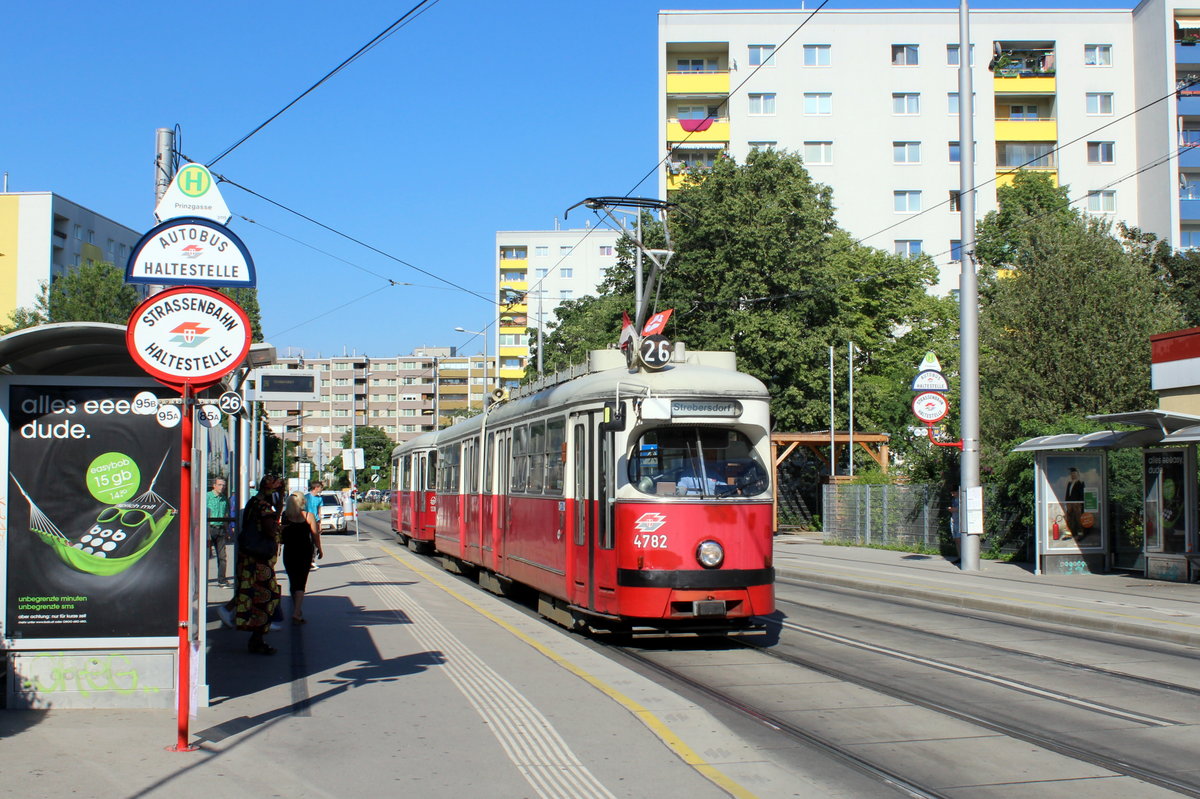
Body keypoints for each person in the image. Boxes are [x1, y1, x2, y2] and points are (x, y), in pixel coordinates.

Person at [233, 474, 283, 655]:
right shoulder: (264, 506)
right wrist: (278, 514)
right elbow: (270, 531)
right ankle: (257, 639)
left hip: (248, 557)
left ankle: (256, 637)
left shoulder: (253, 502)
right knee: (265, 596)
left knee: (252, 594)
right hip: (259, 559)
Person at [282, 491, 322, 624]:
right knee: (301, 581)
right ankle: (297, 612)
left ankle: (297, 610)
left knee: (293, 580)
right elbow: (315, 534)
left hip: (289, 551)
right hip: (304, 551)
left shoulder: (285, 516)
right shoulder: (309, 516)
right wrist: (319, 549)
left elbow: (280, 535)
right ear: (302, 502)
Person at [206, 477, 231, 587]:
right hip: (209, 528)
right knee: (206, 555)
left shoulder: (224, 499)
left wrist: (227, 531)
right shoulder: (208, 497)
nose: (222, 487)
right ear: (214, 486)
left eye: (224, 485)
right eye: (220, 485)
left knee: (222, 556)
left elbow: (226, 515)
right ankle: (202, 578)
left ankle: (222, 579)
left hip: (220, 529)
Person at [305, 479, 325, 570]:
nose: (321, 489)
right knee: (307, 540)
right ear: (316, 488)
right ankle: (307, 560)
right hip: (306, 521)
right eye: (321, 488)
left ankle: (312, 560)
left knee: (314, 541)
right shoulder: (306, 497)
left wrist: (320, 524)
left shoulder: (319, 499)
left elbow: (319, 512)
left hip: (315, 521)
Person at [1063, 468, 1085, 540]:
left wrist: (1081, 504)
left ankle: (1080, 535)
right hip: (1070, 504)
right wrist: (1066, 503)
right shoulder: (1069, 483)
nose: (1073, 475)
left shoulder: (1080, 483)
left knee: (1078, 520)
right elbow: (1067, 494)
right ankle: (1070, 534)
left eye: (1074, 474)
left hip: (1077, 505)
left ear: (1077, 475)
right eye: (1072, 474)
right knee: (1070, 519)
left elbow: (1082, 495)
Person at [947, 488, 961, 563]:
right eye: (951, 493)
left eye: (954, 493)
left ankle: (963, 556)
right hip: (953, 520)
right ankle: (959, 556)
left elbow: (959, 509)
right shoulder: (953, 500)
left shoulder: (961, 500)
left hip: (959, 521)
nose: (952, 495)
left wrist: (953, 509)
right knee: (956, 540)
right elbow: (952, 509)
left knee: (959, 539)